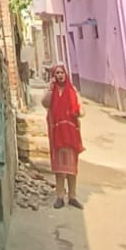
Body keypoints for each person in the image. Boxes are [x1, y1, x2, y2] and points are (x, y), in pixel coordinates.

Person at [42, 63, 84, 208]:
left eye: (62, 73)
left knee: (71, 168)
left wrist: (77, 111)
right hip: (57, 133)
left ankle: (72, 196)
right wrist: (50, 88)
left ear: (66, 74)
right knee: (59, 168)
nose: (60, 75)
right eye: (57, 73)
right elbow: (45, 104)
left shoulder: (72, 90)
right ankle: (60, 196)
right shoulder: (51, 90)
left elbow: (81, 110)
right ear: (53, 76)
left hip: (71, 134)